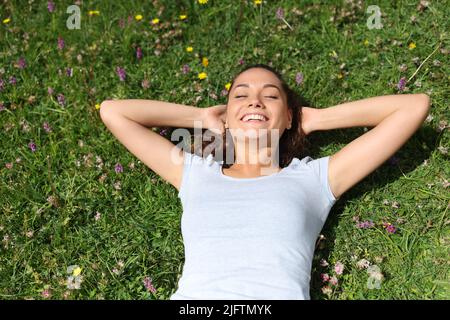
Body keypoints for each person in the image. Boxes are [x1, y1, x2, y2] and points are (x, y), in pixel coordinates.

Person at [99, 63, 431, 299]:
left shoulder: (313, 179)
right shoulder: (194, 174)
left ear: (288, 116)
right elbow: (114, 112)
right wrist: (200, 117)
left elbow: (413, 106)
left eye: (271, 96)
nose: (255, 101)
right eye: (240, 96)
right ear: (225, 115)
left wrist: (317, 118)